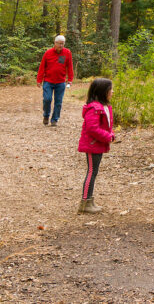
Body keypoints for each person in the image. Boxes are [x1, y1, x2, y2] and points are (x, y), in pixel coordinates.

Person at [77, 77, 119, 214]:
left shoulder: (104, 107)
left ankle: (89, 199)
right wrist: (108, 137)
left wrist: (110, 133)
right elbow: (92, 128)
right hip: (92, 145)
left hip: (98, 144)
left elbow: (106, 125)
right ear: (102, 92)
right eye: (110, 89)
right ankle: (85, 202)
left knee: (93, 172)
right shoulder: (94, 108)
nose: (112, 92)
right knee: (91, 172)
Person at [36, 35, 74, 126]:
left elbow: (70, 67)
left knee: (58, 102)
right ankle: (46, 115)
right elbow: (42, 67)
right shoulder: (48, 53)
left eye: (62, 44)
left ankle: (55, 119)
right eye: (59, 43)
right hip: (48, 81)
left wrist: (70, 80)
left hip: (60, 82)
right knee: (47, 99)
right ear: (55, 43)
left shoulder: (67, 53)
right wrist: (39, 80)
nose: (61, 45)